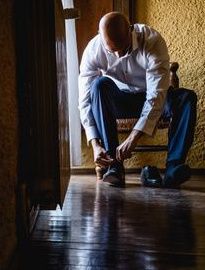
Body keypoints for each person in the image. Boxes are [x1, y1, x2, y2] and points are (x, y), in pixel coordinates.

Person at [78, 12, 197, 188]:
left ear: (131, 30)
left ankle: (174, 167)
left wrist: (134, 136)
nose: (119, 56)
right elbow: (85, 100)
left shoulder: (152, 41)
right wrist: (95, 144)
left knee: (186, 98)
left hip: (153, 97)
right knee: (99, 86)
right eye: (112, 51)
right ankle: (114, 166)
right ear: (100, 37)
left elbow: (156, 95)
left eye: (124, 49)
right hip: (121, 100)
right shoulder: (93, 50)